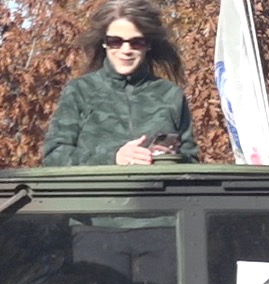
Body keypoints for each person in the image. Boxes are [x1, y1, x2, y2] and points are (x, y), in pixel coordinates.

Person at [40, 0, 198, 168]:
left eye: (136, 42)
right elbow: (54, 155)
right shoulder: (80, 91)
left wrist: (166, 159)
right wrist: (113, 157)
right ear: (104, 42)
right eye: (115, 41)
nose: (126, 50)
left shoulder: (170, 95)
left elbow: (191, 162)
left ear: (148, 44)